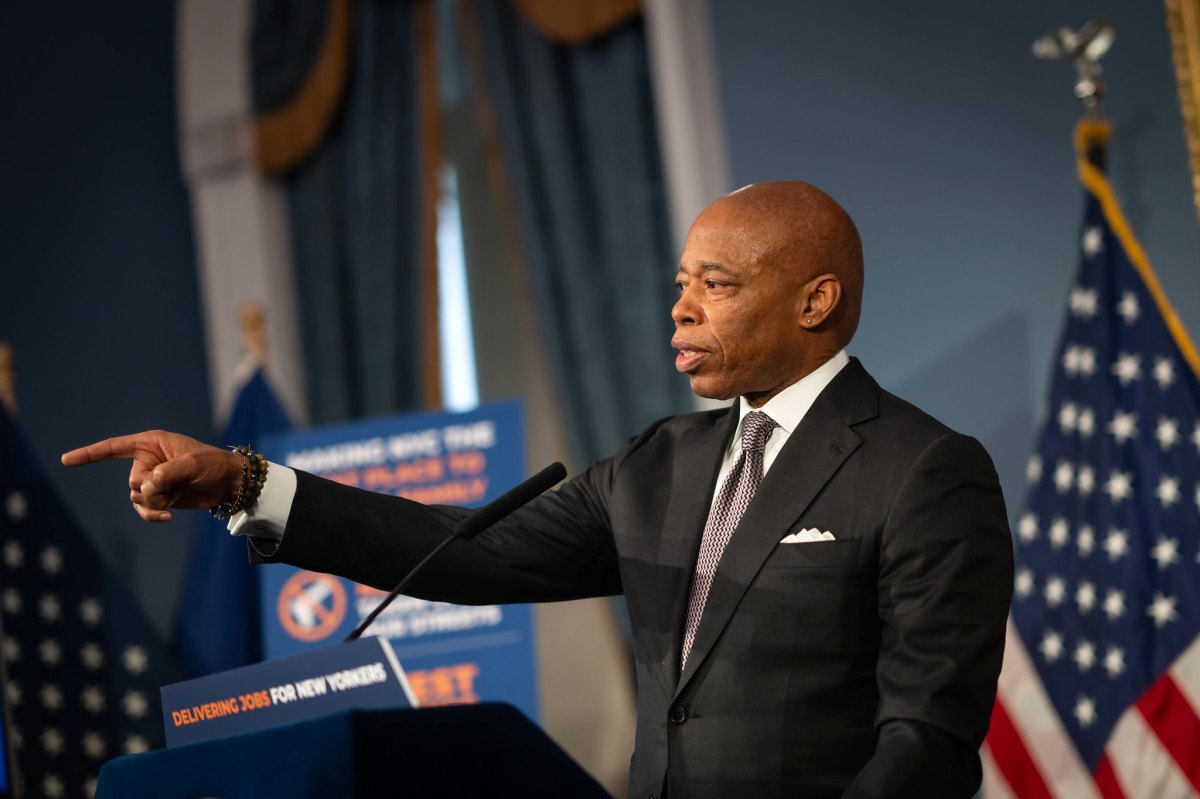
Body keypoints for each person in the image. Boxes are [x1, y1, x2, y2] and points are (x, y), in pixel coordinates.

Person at [64, 181, 1013, 798]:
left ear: (816, 301)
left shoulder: (923, 469)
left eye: (716, 285)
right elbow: (465, 551)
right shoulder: (664, 459)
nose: (680, 307)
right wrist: (244, 480)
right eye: (682, 282)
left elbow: (925, 735)